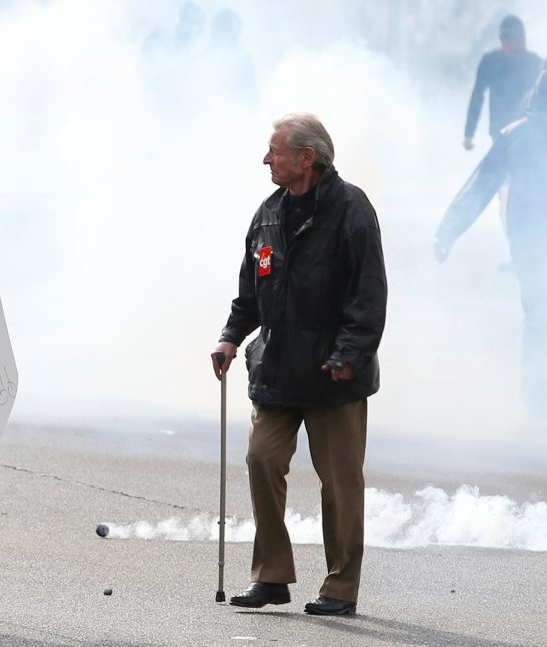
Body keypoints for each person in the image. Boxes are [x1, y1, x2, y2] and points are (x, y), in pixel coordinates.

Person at [211, 113, 387, 616]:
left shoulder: (351, 209)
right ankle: (271, 577)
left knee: (340, 483)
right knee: (261, 459)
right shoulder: (267, 214)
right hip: (277, 370)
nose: (266, 159)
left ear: (306, 157)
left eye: (275, 151)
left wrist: (349, 355)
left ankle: (340, 587)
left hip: (335, 376)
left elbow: (368, 293)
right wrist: (229, 338)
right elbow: (251, 293)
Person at [436, 70, 547, 422]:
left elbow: (481, 186)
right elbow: (482, 184)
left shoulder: (518, 134)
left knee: (538, 313)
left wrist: (449, 230)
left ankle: (535, 400)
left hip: (530, 239)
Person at [463, 14, 541, 150]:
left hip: (530, 132)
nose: (514, 44)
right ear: (502, 40)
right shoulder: (491, 62)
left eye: (518, 38)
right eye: (509, 39)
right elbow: (477, 97)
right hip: (500, 133)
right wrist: (469, 133)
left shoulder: (535, 63)